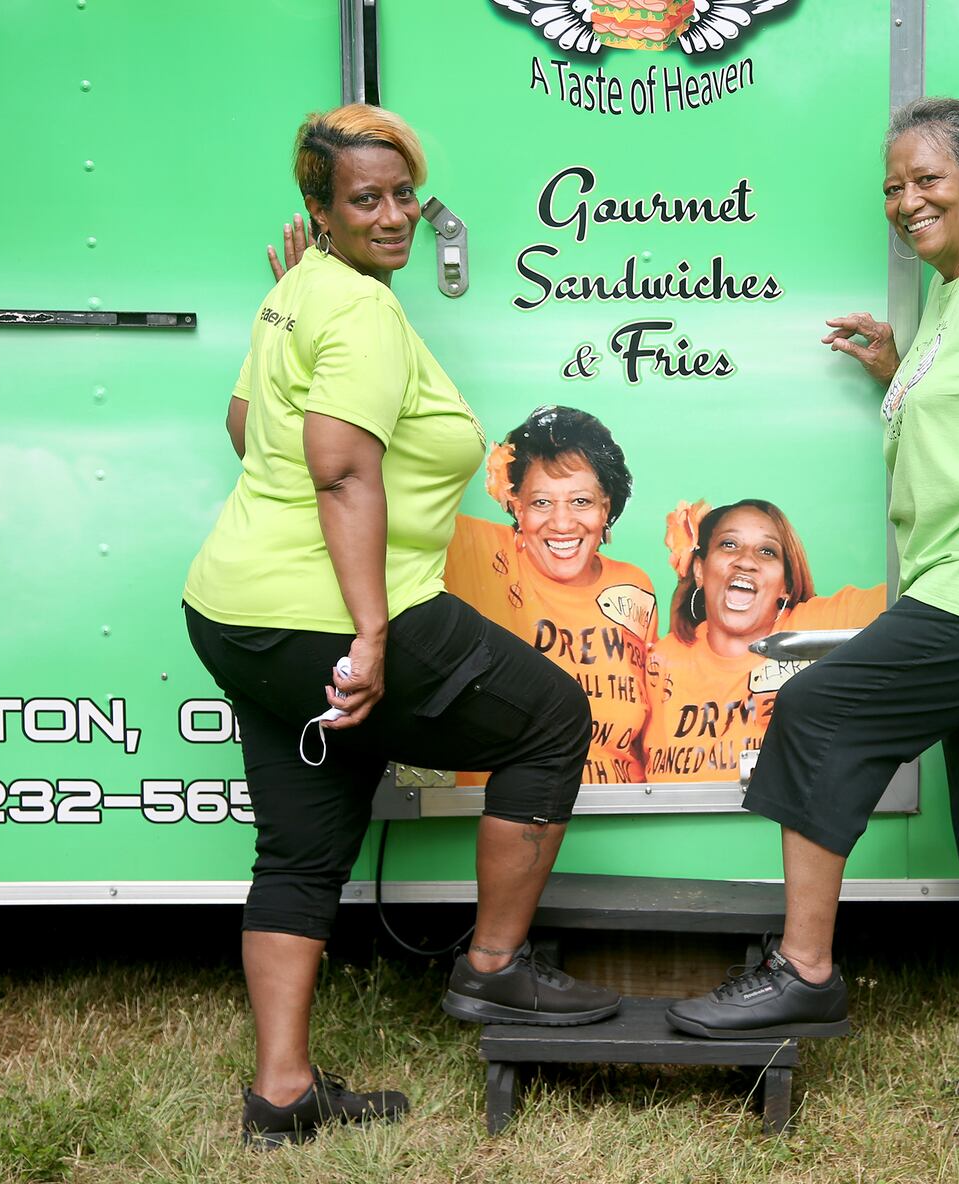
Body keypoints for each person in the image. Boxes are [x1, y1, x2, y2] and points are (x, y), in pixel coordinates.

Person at [665, 98, 959, 1121]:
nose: (904, 199)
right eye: (891, 185)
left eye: (926, 178)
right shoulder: (954, 293)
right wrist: (896, 369)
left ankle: (802, 965)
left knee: (819, 712)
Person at [184, 104, 619, 1149]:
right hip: (325, 612)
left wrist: (295, 300)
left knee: (301, 840)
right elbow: (337, 464)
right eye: (363, 200)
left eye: (401, 195)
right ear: (320, 211)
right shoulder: (359, 312)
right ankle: (496, 967)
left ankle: (281, 1094)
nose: (392, 216)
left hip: (234, 613)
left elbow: (249, 428)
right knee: (550, 716)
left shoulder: (300, 293)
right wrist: (372, 635)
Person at [444, 406, 657, 785]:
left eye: (581, 501)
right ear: (516, 505)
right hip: (510, 810)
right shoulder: (475, 550)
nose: (562, 523)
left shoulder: (634, 585)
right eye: (542, 502)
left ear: (606, 507)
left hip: (620, 808)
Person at [644, 499, 885, 782]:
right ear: (700, 570)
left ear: (786, 585)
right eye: (729, 544)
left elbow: (914, 602)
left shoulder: (813, 626)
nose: (746, 561)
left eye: (767, 551)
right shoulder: (663, 659)